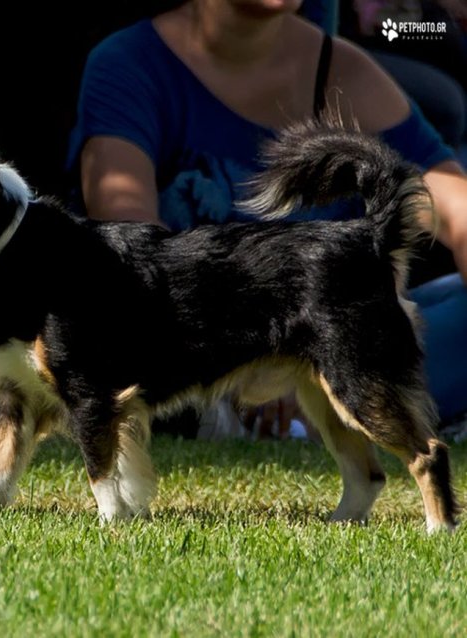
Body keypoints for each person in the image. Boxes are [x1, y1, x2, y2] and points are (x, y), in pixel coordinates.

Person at [68, 0, 467, 436]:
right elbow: (130, 249)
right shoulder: (128, 63)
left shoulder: (343, 71)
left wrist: (316, 353)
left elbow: (457, 211)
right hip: (200, 367)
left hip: (339, 344)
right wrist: (263, 354)